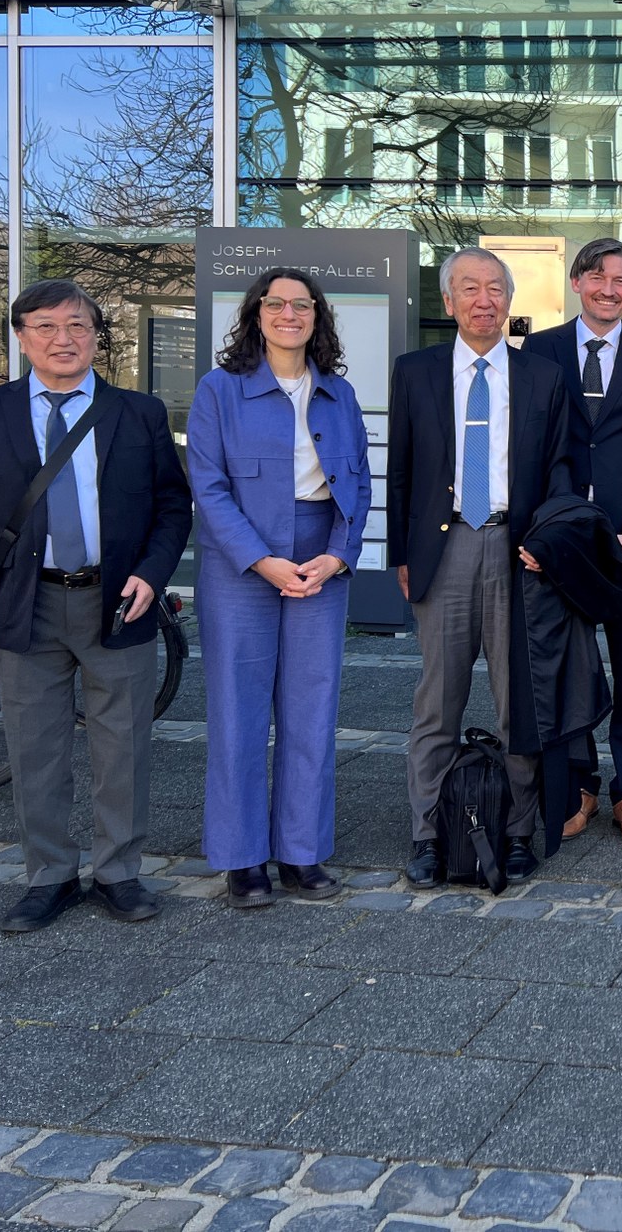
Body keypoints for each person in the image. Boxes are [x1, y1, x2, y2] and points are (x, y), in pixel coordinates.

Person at [0, 279, 192, 933]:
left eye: (76, 325)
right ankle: (48, 877)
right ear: (22, 338)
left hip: (116, 603)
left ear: (97, 335)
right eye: (45, 326)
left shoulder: (140, 413)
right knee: (35, 748)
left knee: (122, 745)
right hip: (27, 603)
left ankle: (118, 873)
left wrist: (153, 576)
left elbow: (172, 506)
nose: (62, 339)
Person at [389, 247, 575, 887]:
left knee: (517, 702)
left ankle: (517, 830)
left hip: (514, 550)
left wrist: (546, 545)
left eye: (495, 287)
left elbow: (560, 469)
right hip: (444, 551)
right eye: (469, 288)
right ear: (448, 302)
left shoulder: (542, 377)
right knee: (436, 703)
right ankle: (427, 834)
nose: (483, 299)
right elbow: (404, 471)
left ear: (508, 299)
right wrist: (402, 553)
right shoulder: (415, 372)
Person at [187, 268, 371, 908]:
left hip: (319, 554)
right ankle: (242, 858)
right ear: (256, 314)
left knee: (311, 708)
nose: (289, 313)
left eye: (302, 304)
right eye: (276, 303)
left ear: (317, 316)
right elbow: (207, 487)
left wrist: (338, 558)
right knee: (238, 709)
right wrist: (261, 559)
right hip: (242, 562)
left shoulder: (338, 394)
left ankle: (301, 851)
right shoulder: (220, 389)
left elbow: (360, 484)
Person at [524, 237, 622, 851]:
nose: (609, 290)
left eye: (621, 280)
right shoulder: (540, 350)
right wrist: (559, 527)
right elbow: (535, 449)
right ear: (576, 282)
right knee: (570, 669)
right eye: (597, 278)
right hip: (564, 543)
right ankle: (580, 785)